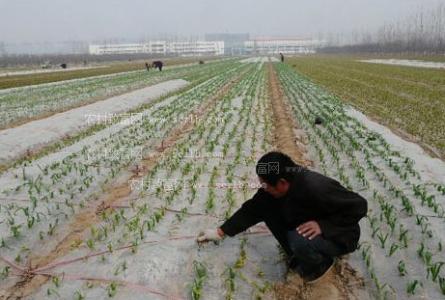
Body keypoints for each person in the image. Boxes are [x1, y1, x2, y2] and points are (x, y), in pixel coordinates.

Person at [197, 151, 367, 283]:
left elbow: (358, 206)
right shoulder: (277, 187)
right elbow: (252, 209)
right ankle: (299, 254)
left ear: (283, 182)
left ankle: (319, 265)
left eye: (266, 185)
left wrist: (323, 225)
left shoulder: (316, 186)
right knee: (267, 208)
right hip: (312, 222)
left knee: (299, 238)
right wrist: (219, 232)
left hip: (341, 235)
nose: (264, 188)